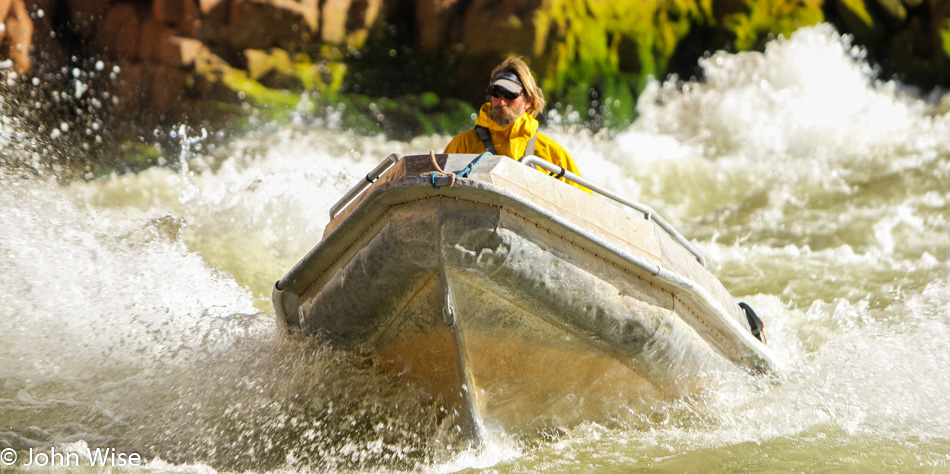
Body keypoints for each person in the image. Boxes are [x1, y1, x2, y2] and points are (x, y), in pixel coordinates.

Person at [444, 57, 588, 192]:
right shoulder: (462, 144)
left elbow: (586, 202)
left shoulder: (553, 154)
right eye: (496, 93)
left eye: (510, 95)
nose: (501, 102)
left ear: (528, 102)